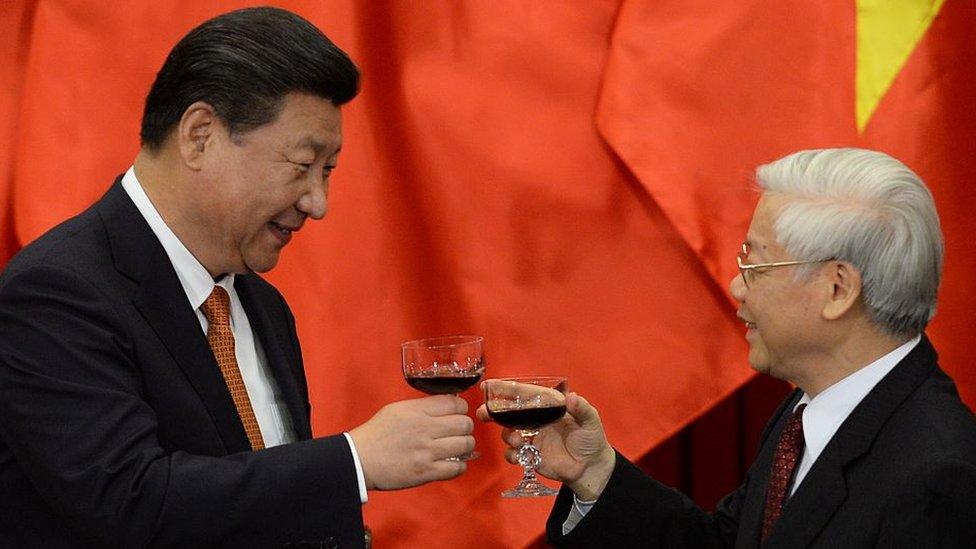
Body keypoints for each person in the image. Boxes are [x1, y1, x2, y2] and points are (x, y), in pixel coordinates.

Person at [0, 7, 474, 548]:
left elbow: (267, 505)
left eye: (329, 171)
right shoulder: (54, 292)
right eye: (302, 164)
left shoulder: (261, 304)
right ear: (200, 135)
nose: (317, 203)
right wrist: (354, 460)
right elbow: (129, 502)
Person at [479, 148, 976, 547]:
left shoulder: (937, 478)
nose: (737, 288)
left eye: (755, 265)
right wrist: (594, 472)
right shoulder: (808, 413)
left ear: (837, 290)